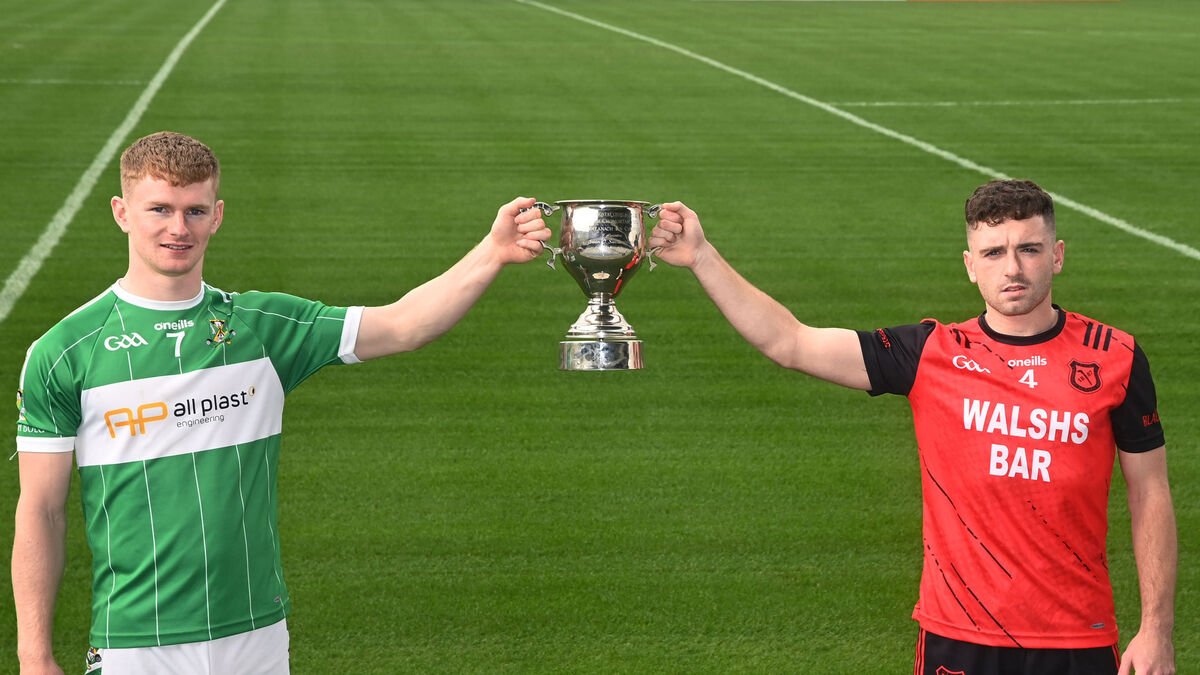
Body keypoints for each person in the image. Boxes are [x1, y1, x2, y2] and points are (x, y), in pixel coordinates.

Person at [12, 131, 551, 674]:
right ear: (122, 212)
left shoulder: (262, 327)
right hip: (136, 643)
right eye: (160, 209)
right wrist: (34, 656)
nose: (179, 228)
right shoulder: (64, 353)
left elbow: (405, 325)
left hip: (257, 634)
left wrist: (492, 252)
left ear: (217, 216)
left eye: (195, 210)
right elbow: (42, 511)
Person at [647, 180, 1176, 675]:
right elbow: (790, 342)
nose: (1012, 268)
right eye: (994, 253)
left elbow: (1150, 492)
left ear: (1056, 255)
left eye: (1029, 249)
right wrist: (701, 256)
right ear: (970, 266)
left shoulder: (1115, 356)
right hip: (959, 635)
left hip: (1077, 638)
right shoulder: (930, 352)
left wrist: (1157, 629)